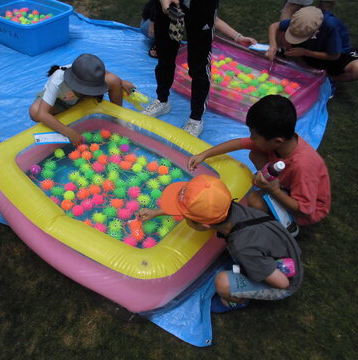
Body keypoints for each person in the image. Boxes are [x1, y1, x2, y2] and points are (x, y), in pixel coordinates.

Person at [137, 174, 303, 312]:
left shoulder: (242, 247)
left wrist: (254, 270)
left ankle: (235, 300)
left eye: (186, 218)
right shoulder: (230, 209)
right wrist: (157, 212)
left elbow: (283, 283)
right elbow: (196, 211)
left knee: (222, 282)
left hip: (283, 280)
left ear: (204, 225)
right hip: (280, 247)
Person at [187, 95, 331, 227]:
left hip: (304, 210)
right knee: (255, 155)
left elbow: (305, 210)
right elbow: (239, 143)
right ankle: (274, 189)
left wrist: (273, 189)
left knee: (254, 200)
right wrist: (205, 155)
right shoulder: (281, 143)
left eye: (254, 136)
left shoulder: (303, 166)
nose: (251, 139)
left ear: (276, 141)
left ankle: (284, 226)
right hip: (287, 185)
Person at [141, 0, 219, 138]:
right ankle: (162, 100)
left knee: (199, 65)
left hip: (201, 7)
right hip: (168, 7)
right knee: (164, 55)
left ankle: (196, 119)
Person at [29, 53, 135, 146]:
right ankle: (61, 120)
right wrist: (68, 132)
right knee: (35, 111)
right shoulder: (58, 79)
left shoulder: (88, 73)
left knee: (114, 80)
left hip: (80, 100)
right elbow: (42, 114)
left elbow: (107, 74)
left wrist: (122, 82)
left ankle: (116, 117)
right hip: (60, 102)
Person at [267, 6, 358, 82]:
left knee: (356, 69)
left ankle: (327, 81)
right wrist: (273, 46)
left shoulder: (331, 27)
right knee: (282, 33)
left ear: (316, 31)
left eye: (299, 37)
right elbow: (274, 26)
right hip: (307, 51)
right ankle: (304, 66)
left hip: (333, 55)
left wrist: (305, 52)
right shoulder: (301, 20)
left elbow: (335, 56)